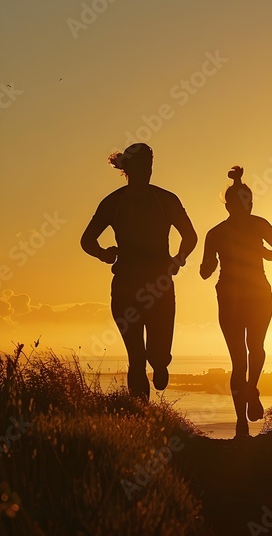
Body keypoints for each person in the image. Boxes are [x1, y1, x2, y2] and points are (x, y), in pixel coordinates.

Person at [81, 143, 197, 400]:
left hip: (160, 286)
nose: (147, 171)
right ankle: (141, 416)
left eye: (149, 165)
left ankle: (160, 363)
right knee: (136, 358)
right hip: (125, 286)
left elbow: (190, 236)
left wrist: (179, 259)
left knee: (157, 354)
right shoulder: (113, 202)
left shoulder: (166, 200)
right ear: (128, 168)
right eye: (141, 166)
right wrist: (103, 253)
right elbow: (86, 240)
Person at [200, 166, 272, 438]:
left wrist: (262, 251)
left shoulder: (255, 225)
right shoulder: (218, 233)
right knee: (243, 357)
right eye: (242, 202)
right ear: (228, 205)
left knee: (249, 352)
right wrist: (210, 263)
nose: (246, 206)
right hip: (237, 295)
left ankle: (248, 400)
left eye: (249, 202)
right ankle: (243, 416)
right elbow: (204, 271)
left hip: (252, 294)